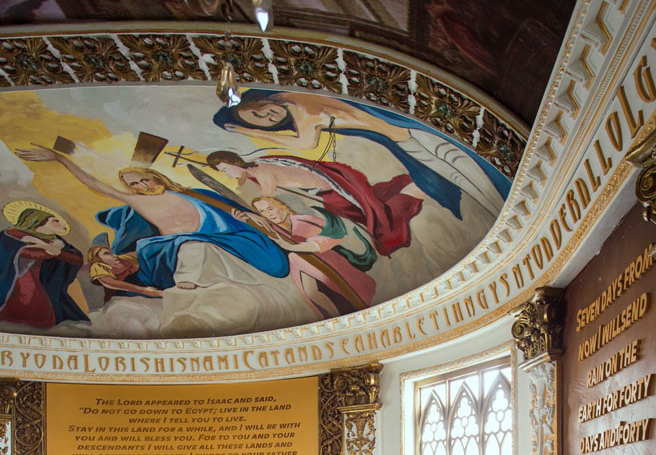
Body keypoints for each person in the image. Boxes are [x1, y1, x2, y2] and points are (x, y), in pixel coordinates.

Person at [212, 89, 510, 220]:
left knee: (469, 174)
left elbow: (303, 144)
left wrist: (246, 132)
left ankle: (504, 213)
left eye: (259, 112)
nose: (267, 117)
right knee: (457, 177)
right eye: (261, 121)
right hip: (401, 138)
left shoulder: (300, 105)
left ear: (257, 99)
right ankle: (501, 214)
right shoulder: (293, 107)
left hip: (413, 133)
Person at [13, 149, 290, 290]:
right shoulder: (139, 201)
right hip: (178, 242)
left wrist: (249, 216)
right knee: (187, 247)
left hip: (223, 237)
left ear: (157, 177)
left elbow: (231, 209)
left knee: (267, 260)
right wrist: (61, 158)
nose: (144, 185)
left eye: (146, 178)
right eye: (136, 183)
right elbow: (96, 185)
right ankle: (187, 281)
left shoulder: (195, 194)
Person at [205, 148, 423, 256]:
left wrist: (252, 213)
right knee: (368, 211)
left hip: (330, 190)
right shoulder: (256, 167)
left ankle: (408, 196)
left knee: (373, 218)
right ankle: (406, 193)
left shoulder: (261, 171)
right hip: (323, 192)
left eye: (225, 169)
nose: (226, 174)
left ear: (233, 162)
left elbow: (267, 197)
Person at [236, 195, 376, 318]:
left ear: (281, 206)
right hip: (300, 265)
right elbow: (259, 228)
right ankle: (336, 318)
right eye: (262, 211)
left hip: (326, 261)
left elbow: (336, 236)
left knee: (340, 289)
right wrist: (246, 220)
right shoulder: (272, 229)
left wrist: (294, 247)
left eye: (270, 208)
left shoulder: (306, 220)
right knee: (313, 294)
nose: (268, 214)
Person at [0, 204, 89, 329]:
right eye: (55, 220)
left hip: (43, 281)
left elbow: (77, 259)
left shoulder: (55, 240)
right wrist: (47, 251)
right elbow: (22, 253)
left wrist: (57, 252)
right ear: (38, 220)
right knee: (30, 305)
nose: (62, 224)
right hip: (16, 280)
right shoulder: (12, 234)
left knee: (47, 310)